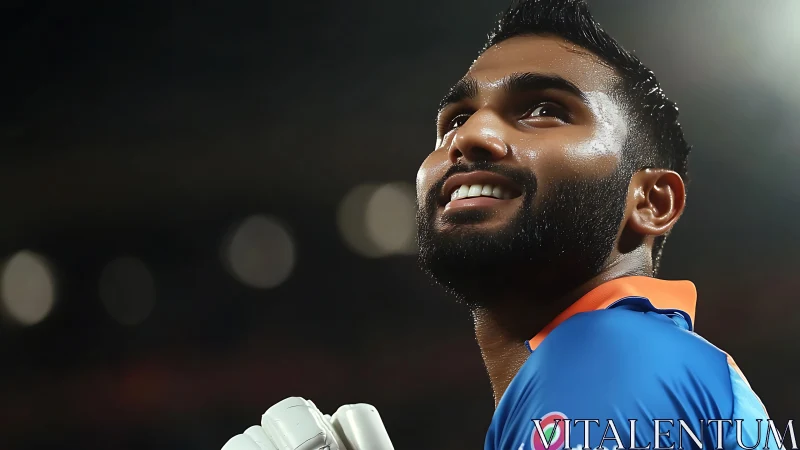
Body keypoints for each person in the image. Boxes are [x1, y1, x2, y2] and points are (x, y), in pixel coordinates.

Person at [223, 1, 773, 449]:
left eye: (544, 110)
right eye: (455, 120)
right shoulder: (649, 368)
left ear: (652, 201)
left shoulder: (608, 356)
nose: (469, 136)